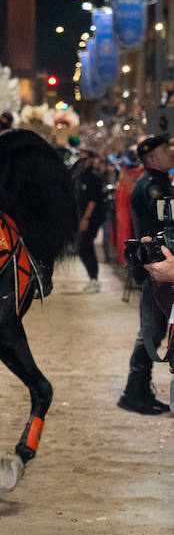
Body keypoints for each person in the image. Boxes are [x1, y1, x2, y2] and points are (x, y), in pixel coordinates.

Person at [117, 134, 174, 414]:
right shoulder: (151, 186)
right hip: (156, 268)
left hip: (160, 267)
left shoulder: (159, 182)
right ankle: (134, 393)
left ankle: (138, 391)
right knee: (151, 333)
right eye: (166, 149)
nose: (171, 152)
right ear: (152, 158)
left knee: (155, 331)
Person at [74, 148, 106, 293]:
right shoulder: (79, 176)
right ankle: (93, 278)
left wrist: (85, 218)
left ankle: (94, 279)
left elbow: (93, 200)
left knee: (84, 247)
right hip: (82, 217)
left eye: (84, 159)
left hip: (91, 218)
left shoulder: (93, 178)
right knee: (83, 247)